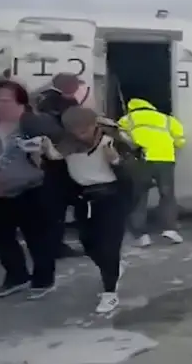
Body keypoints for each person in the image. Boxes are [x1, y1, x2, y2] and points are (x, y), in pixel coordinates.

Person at [45, 106, 139, 313]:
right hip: (83, 200)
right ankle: (112, 267)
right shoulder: (66, 145)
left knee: (109, 246)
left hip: (111, 199)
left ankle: (110, 292)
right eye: (74, 132)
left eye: (83, 131)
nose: (80, 136)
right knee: (89, 245)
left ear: (94, 125)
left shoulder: (112, 141)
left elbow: (133, 171)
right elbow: (56, 166)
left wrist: (116, 161)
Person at [0, 78, 59, 300]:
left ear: (20, 101)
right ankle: (17, 276)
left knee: (37, 237)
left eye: (4, 100)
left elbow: (61, 146)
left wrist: (45, 150)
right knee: (0, 234)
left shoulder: (33, 122)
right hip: (0, 192)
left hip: (31, 189)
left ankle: (43, 279)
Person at [117, 98, 185, 246]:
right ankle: (170, 229)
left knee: (139, 196)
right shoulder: (167, 119)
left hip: (142, 160)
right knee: (167, 195)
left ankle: (141, 235)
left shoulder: (127, 119)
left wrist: (135, 147)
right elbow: (180, 141)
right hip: (165, 160)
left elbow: (121, 137)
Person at [35, 73, 85, 259]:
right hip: (60, 160)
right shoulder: (64, 103)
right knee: (61, 205)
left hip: (42, 160)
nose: (78, 89)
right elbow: (74, 128)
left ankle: (49, 244)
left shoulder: (41, 98)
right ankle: (56, 246)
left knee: (51, 206)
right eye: (76, 85)